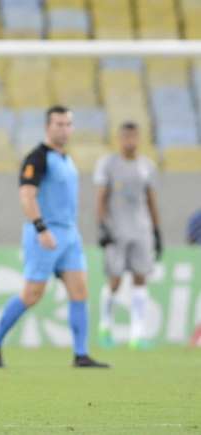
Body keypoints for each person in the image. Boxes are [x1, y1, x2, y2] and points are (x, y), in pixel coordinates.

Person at [0, 106, 108, 369]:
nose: (64, 129)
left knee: (80, 290)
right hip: (44, 233)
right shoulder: (37, 158)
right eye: (59, 124)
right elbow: (27, 195)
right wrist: (41, 228)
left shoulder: (67, 159)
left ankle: (81, 354)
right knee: (32, 293)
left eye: (68, 124)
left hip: (69, 234)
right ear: (47, 127)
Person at [94, 122, 162, 349]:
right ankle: (105, 327)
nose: (130, 141)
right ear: (119, 139)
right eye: (126, 137)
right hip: (117, 231)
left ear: (139, 138)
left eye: (134, 136)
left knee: (140, 278)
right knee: (115, 280)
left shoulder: (147, 166)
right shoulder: (109, 164)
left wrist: (156, 230)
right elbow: (101, 198)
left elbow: (151, 199)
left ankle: (137, 333)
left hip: (141, 230)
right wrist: (102, 226)